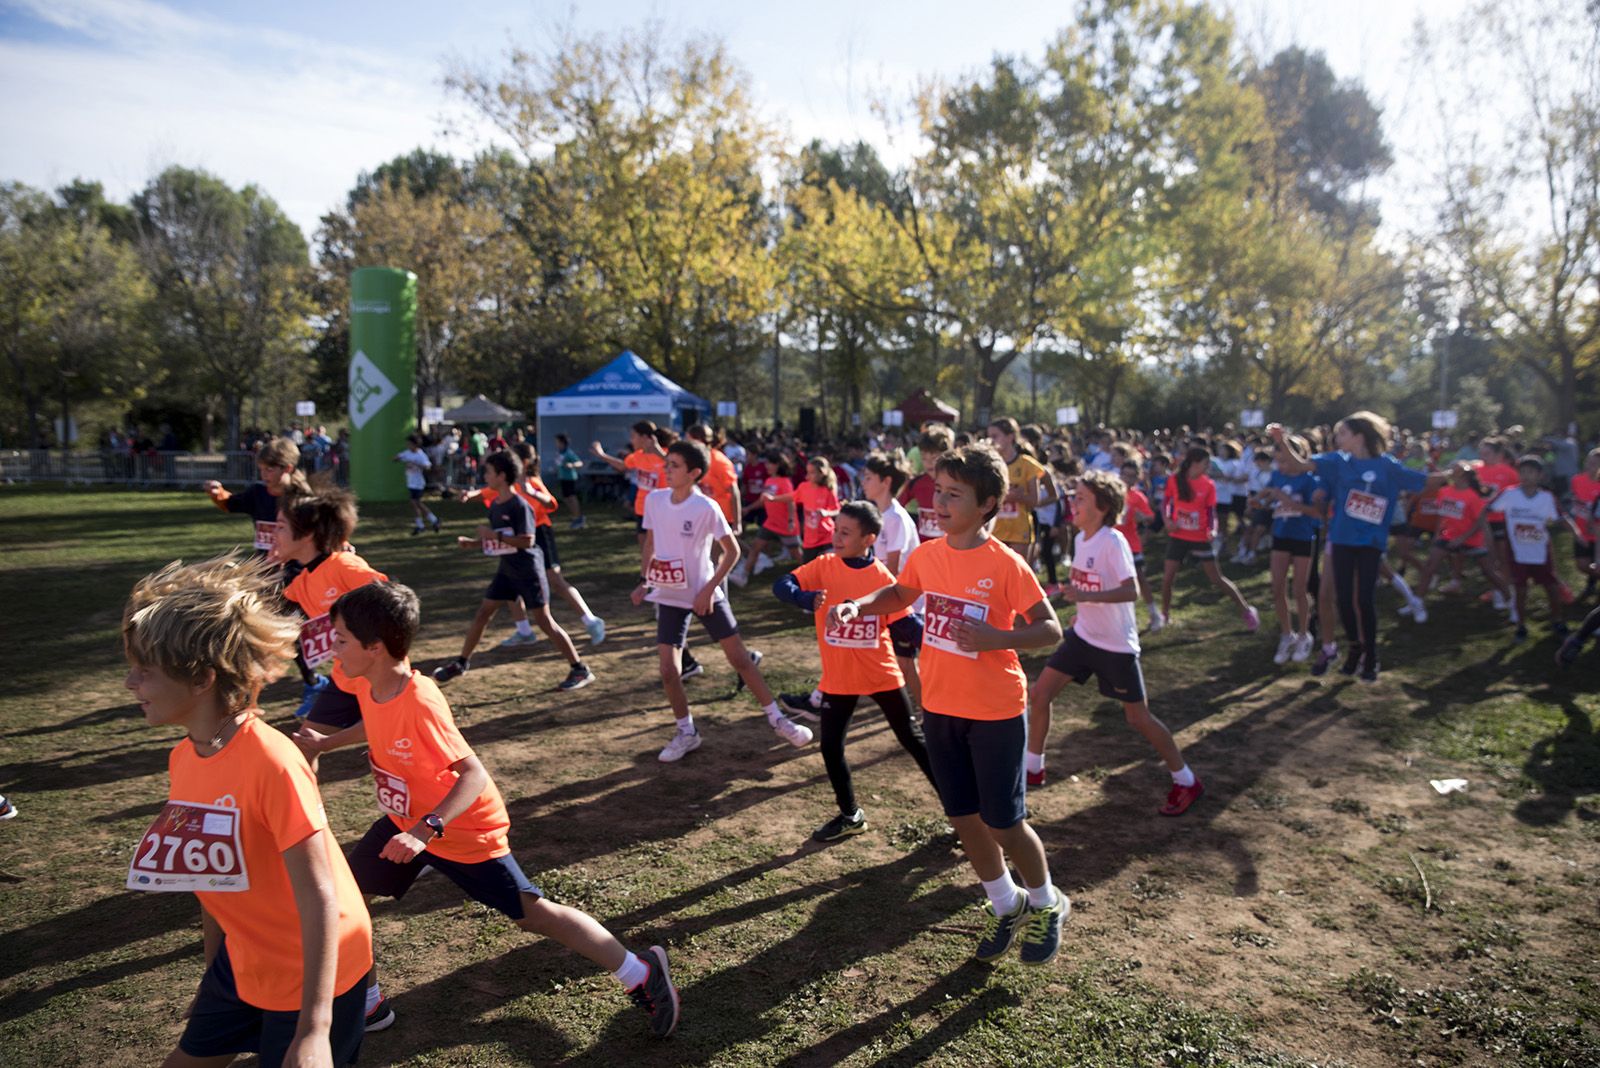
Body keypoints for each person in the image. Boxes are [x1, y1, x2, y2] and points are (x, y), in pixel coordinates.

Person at [292, 582, 681, 1039]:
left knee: (532, 913)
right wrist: (327, 742)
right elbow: (376, 724)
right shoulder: (372, 685)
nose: (332, 651)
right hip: (404, 824)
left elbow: (473, 774)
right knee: (348, 902)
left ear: (375, 648)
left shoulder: (419, 701)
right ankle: (370, 1004)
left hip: (458, 833)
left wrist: (424, 830)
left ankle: (639, 972)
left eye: (341, 640)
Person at [122, 556, 374, 1067]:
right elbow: (214, 878)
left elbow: (321, 898)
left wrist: (314, 1031)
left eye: (144, 672)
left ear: (201, 679)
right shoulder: (184, 757)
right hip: (244, 961)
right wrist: (216, 971)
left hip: (314, 971)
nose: (131, 684)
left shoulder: (272, 762)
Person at [829, 444, 1068, 966]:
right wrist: (859, 604)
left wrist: (994, 637)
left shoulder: (1006, 564)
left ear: (986, 505)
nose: (939, 502)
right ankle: (1006, 903)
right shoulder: (928, 553)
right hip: (939, 706)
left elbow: (1050, 628)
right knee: (963, 817)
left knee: (1004, 822)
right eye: (938, 490)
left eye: (954, 494)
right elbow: (899, 595)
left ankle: (1048, 902)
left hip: (996, 711)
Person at [1026, 471, 1204, 812]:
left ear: (1103, 507)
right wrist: (1080, 605)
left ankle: (1187, 780)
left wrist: (1085, 596)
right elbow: (1090, 588)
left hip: (1115, 647)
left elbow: (1129, 590)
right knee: (1040, 694)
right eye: (1073, 497)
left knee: (1138, 718)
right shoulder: (1079, 539)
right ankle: (1033, 768)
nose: (1072, 504)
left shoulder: (1113, 541)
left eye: (1080, 499)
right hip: (1083, 638)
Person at [772, 501, 940, 842]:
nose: (836, 537)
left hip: (882, 673)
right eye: (836, 530)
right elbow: (782, 584)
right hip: (839, 680)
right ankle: (850, 815)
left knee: (914, 741)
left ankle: (963, 808)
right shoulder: (823, 566)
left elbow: (905, 623)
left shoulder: (881, 577)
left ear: (869, 538)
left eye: (846, 533)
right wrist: (804, 599)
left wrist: (936, 641)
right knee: (831, 747)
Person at [635, 439, 812, 761]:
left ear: (694, 473)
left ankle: (778, 719)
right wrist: (645, 580)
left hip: (705, 593)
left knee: (741, 659)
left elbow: (732, 552)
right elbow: (650, 543)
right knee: (668, 670)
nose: (666, 469)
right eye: (667, 464)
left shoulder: (705, 507)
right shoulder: (655, 501)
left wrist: (707, 589)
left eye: (674, 465)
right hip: (670, 596)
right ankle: (686, 732)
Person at [1269, 414, 1444, 682]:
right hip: (1341, 540)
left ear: (1359, 436)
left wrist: (1453, 475)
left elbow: (1421, 481)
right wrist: (1281, 440)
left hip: (1371, 543)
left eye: (1342, 433)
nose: (1336, 439)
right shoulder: (1337, 462)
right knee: (1344, 601)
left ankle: (1371, 657)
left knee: (1363, 600)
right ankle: (1354, 648)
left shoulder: (1388, 466)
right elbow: (1299, 464)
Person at [431, 450, 595, 691]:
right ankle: (462, 662)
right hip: (507, 570)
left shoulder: (519, 505)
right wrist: (475, 544)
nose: (484, 475)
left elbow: (527, 541)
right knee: (483, 613)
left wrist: (491, 535)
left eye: (488, 471)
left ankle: (580, 669)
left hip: (529, 571)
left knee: (545, 621)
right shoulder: (496, 504)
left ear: (502, 475)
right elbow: (503, 540)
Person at [780, 453, 927, 719]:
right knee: (847, 649)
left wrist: (861, 592)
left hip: (897, 603)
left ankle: (928, 714)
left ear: (886, 481)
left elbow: (891, 573)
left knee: (903, 665)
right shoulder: (876, 514)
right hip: (871, 601)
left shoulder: (895, 519)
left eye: (868, 477)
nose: (863, 481)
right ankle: (822, 699)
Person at [273, 488, 388, 760]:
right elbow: (269, 608)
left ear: (308, 534)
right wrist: (271, 566)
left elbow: (387, 597)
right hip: (343, 679)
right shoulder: (302, 580)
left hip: (378, 678)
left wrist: (359, 635)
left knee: (392, 746)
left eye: (280, 527)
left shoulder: (344, 565)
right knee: (303, 747)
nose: (273, 534)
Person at [458, 442, 608, 651]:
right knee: (511, 582)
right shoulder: (507, 486)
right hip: (515, 538)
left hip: (538, 534)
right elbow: (485, 493)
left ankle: (591, 621)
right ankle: (524, 630)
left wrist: (533, 492)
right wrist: (468, 495)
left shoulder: (531, 482)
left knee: (555, 580)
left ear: (524, 462)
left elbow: (552, 504)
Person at [1159, 446, 1260, 632]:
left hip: (1199, 536)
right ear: (1194, 463)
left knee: (1216, 578)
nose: (1208, 467)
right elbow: (1166, 502)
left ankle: (1247, 611)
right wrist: (1167, 520)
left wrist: (1212, 530)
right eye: (1206, 463)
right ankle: (1164, 615)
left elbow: (1210, 512)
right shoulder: (1175, 480)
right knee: (1167, 578)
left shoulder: (1208, 485)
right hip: (1178, 535)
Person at [1481, 456, 1567, 642]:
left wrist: (1577, 533)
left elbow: (1560, 518)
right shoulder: (1509, 494)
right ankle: (1520, 626)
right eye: (1522, 472)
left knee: (1551, 587)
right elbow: (1487, 509)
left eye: (1530, 472)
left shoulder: (1546, 497)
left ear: (1540, 475)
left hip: (1541, 552)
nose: (1526, 476)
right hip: (1517, 553)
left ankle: (1558, 620)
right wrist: (1485, 535)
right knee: (1520, 590)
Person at [1411, 461, 1511, 619]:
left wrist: (1462, 539)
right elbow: (1442, 517)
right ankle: (1417, 602)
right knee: (1430, 566)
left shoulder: (1473, 497)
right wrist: (1438, 534)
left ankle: (1509, 600)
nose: (1451, 472)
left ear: (1464, 476)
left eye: (1455, 470)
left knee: (1488, 571)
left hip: (1472, 539)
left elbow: (1479, 523)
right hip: (1448, 536)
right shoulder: (1444, 492)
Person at [1260, 435, 1322, 664]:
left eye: (1285, 461)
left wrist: (1288, 500)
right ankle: (1287, 634)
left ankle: (1305, 634)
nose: (1281, 466)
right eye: (1278, 461)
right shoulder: (1276, 476)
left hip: (1303, 536)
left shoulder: (1309, 479)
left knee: (1299, 589)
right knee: (1277, 588)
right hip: (1281, 534)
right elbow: (1268, 496)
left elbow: (1316, 513)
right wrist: (1260, 502)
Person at [202, 437, 308, 556]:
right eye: (261, 469)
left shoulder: (302, 499)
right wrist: (218, 492)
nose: (263, 475)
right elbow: (231, 503)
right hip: (264, 566)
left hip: (295, 568)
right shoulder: (257, 493)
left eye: (269, 469)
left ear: (288, 468)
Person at [987, 418, 1057, 563]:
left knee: (1017, 576)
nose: (991, 440)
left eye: (995, 436)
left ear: (1010, 437)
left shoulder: (1026, 464)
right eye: (989, 436)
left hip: (1019, 531)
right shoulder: (989, 464)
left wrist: (1017, 497)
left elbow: (1034, 501)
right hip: (995, 529)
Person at [731, 452, 800, 586]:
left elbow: (791, 501)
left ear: (778, 465)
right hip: (770, 523)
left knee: (797, 555)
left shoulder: (785, 481)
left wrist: (791, 520)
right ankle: (743, 576)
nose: (767, 466)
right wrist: (748, 508)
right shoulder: (769, 480)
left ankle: (814, 575)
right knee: (755, 547)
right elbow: (763, 500)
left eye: (770, 463)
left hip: (785, 525)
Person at [592, 422, 666, 546]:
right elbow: (622, 466)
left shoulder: (665, 454)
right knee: (645, 548)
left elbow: (676, 464)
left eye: (633, 436)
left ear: (644, 437)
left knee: (662, 547)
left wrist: (658, 451)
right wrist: (602, 455)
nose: (631, 440)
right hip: (642, 508)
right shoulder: (637, 456)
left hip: (662, 509)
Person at [1116, 459, 1163, 631]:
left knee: (1140, 579)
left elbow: (1150, 516)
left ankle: (1154, 614)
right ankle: (1125, 619)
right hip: (1112, 545)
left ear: (1136, 478)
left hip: (1131, 545)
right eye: (1124, 475)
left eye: (1131, 476)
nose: (1126, 479)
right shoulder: (1112, 493)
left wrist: (1142, 518)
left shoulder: (1137, 496)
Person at [900, 425, 953, 542]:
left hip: (950, 547)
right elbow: (897, 507)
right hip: (923, 546)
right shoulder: (916, 483)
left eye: (934, 457)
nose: (929, 463)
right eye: (924, 458)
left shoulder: (957, 483)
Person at [791, 458, 842, 563]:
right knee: (808, 572)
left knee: (830, 566)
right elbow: (791, 497)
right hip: (810, 539)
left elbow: (837, 510)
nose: (807, 476)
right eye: (808, 472)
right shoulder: (804, 487)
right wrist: (773, 499)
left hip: (827, 536)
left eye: (812, 473)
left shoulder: (828, 489)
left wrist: (826, 512)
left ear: (822, 473)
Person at [394, 435, 441, 536]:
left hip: (418, 483)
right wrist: (399, 458)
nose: (408, 446)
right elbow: (396, 458)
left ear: (415, 444)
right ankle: (432, 521)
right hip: (411, 482)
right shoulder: (407, 453)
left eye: (410, 444)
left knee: (415, 503)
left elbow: (428, 466)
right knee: (416, 504)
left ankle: (423, 524)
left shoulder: (420, 455)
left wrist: (417, 464)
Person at [555, 433, 587, 529]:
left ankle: (578, 518)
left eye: (557, 442)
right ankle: (575, 516)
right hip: (563, 477)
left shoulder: (569, 453)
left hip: (570, 478)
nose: (556, 444)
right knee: (566, 498)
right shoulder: (560, 453)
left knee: (572, 497)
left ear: (562, 443)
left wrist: (571, 465)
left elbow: (579, 463)